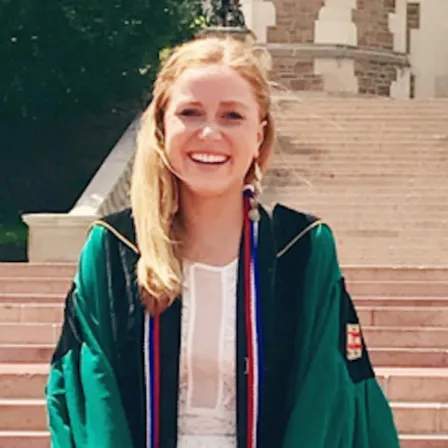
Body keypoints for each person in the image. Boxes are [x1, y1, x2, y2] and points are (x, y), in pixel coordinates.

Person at [45, 35, 400, 448]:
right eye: (189, 113)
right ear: (161, 128)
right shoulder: (115, 250)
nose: (210, 132)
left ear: (259, 135)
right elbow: (91, 396)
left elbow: (326, 395)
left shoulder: (301, 250)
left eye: (232, 115)